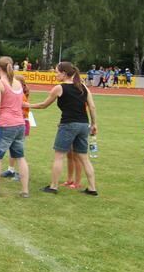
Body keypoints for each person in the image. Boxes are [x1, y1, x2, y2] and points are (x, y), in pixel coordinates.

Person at [28, 61, 99, 196]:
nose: (55, 75)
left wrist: (26, 105)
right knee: (84, 158)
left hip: (68, 124)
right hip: (84, 124)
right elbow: (92, 107)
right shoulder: (83, 87)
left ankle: (53, 186)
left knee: (59, 156)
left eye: (56, 72)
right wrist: (94, 124)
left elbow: (44, 105)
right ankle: (92, 188)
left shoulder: (59, 88)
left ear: (64, 73)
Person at [0, 56, 31, 198]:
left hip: (5, 124)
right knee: (20, 157)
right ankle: (25, 190)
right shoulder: (18, 83)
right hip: (19, 124)